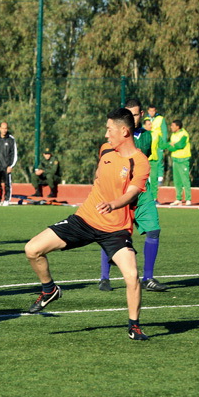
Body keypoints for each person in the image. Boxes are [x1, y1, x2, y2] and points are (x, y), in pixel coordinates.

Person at [24, 107, 151, 341]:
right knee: (32, 249)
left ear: (124, 131)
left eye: (109, 129)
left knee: (132, 275)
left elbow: (131, 193)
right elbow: (99, 179)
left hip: (115, 229)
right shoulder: (105, 152)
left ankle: (134, 326)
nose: (106, 134)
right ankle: (49, 290)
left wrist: (114, 204)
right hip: (84, 220)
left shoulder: (140, 162)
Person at [98, 99, 168, 292]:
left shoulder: (146, 137)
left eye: (136, 114)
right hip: (118, 191)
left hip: (141, 191)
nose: (132, 118)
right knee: (111, 232)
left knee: (153, 230)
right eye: (128, 114)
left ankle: (149, 278)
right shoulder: (111, 139)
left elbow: (139, 159)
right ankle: (104, 277)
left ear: (142, 114)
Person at [0, 121, 18, 206]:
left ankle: (6, 199)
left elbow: (14, 154)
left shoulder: (11, 140)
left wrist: (11, 165)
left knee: (7, 183)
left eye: (6, 128)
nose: (4, 130)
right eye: (3, 128)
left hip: (6, 166)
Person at [167, 119, 192, 206]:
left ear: (178, 127)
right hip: (175, 159)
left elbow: (180, 145)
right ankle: (178, 199)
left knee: (185, 179)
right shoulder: (173, 134)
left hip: (183, 159)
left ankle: (188, 199)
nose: (171, 127)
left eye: (172, 126)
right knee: (177, 180)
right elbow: (170, 146)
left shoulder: (184, 134)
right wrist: (172, 145)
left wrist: (174, 145)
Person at [146, 105, 169, 193]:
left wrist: (163, 144)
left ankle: (160, 178)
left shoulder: (160, 119)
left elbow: (164, 131)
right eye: (150, 111)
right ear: (148, 111)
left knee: (159, 160)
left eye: (153, 111)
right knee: (148, 161)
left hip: (158, 142)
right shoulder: (146, 119)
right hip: (150, 142)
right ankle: (149, 177)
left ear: (155, 111)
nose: (152, 113)